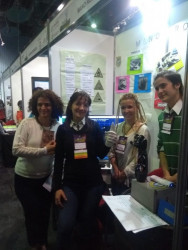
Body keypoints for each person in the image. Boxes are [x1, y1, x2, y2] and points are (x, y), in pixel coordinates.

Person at [52, 90, 117, 250]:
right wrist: (57, 188)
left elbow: (101, 153)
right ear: (71, 106)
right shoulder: (63, 129)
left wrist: (108, 144)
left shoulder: (93, 127)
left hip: (93, 184)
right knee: (65, 225)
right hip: (71, 184)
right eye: (78, 103)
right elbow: (59, 160)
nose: (82, 107)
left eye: (85, 105)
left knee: (86, 221)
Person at [12, 89, 64, 250]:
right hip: (25, 179)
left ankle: (42, 242)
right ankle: (35, 244)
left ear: (53, 106)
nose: (43, 108)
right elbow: (16, 149)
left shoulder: (57, 126)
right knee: (32, 213)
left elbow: (59, 154)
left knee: (43, 213)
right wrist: (43, 151)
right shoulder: (26, 124)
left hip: (46, 179)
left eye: (47, 104)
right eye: (40, 104)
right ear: (35, 106)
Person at [108, 93, 151, 195]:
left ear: (137, 107)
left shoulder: (143, 130)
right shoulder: (118, 127)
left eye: (130, 107)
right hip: (116, 177)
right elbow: (111, 150)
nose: (126, 111)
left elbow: (139, 157)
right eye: (123, 107)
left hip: (132, 181)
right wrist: (115, 168)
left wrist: (124, 173)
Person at [153, 70, 183, 183]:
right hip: (170, 181)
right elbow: (162, 146)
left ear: (177, 84)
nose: (160, 91)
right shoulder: (162, 116)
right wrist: (167, 175)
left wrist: (177, 177)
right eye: (157, 88)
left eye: (163, 85)